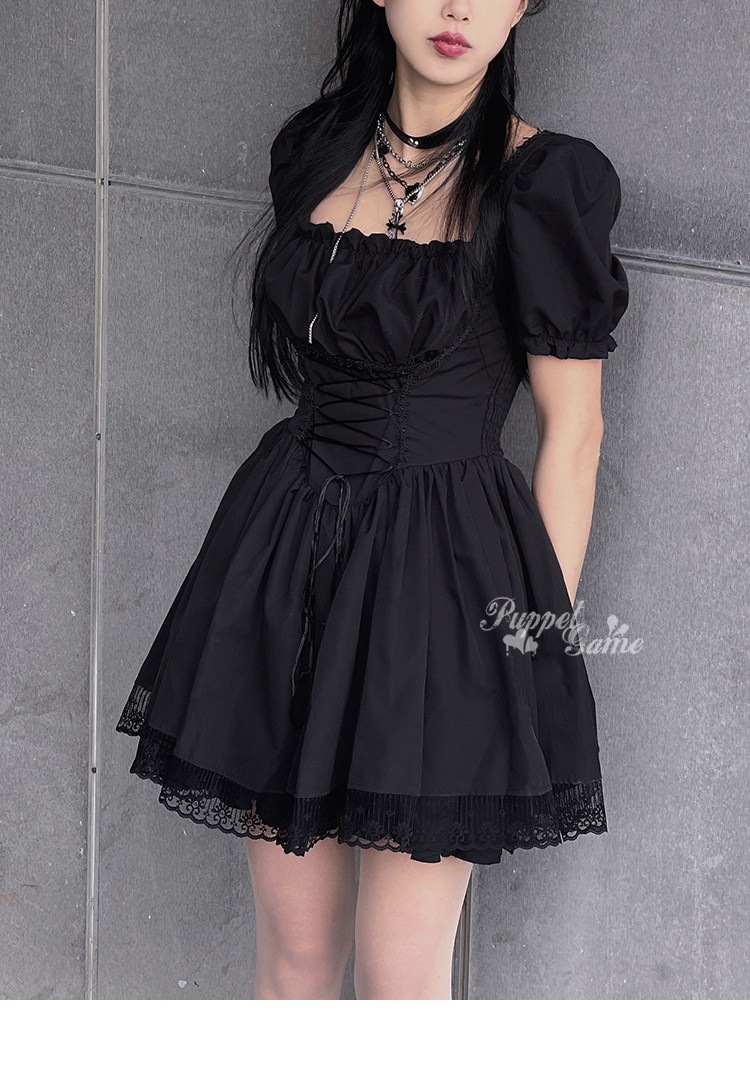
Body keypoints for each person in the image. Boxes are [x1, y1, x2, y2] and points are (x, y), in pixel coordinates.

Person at [116, 0, 629, 1000]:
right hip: (282, 561)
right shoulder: (314, 150)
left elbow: (574, 435)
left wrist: (528, 646)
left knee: (399, 981)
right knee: (297, 958)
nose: (457, 9)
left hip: (444, 590)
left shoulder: (545, 184)